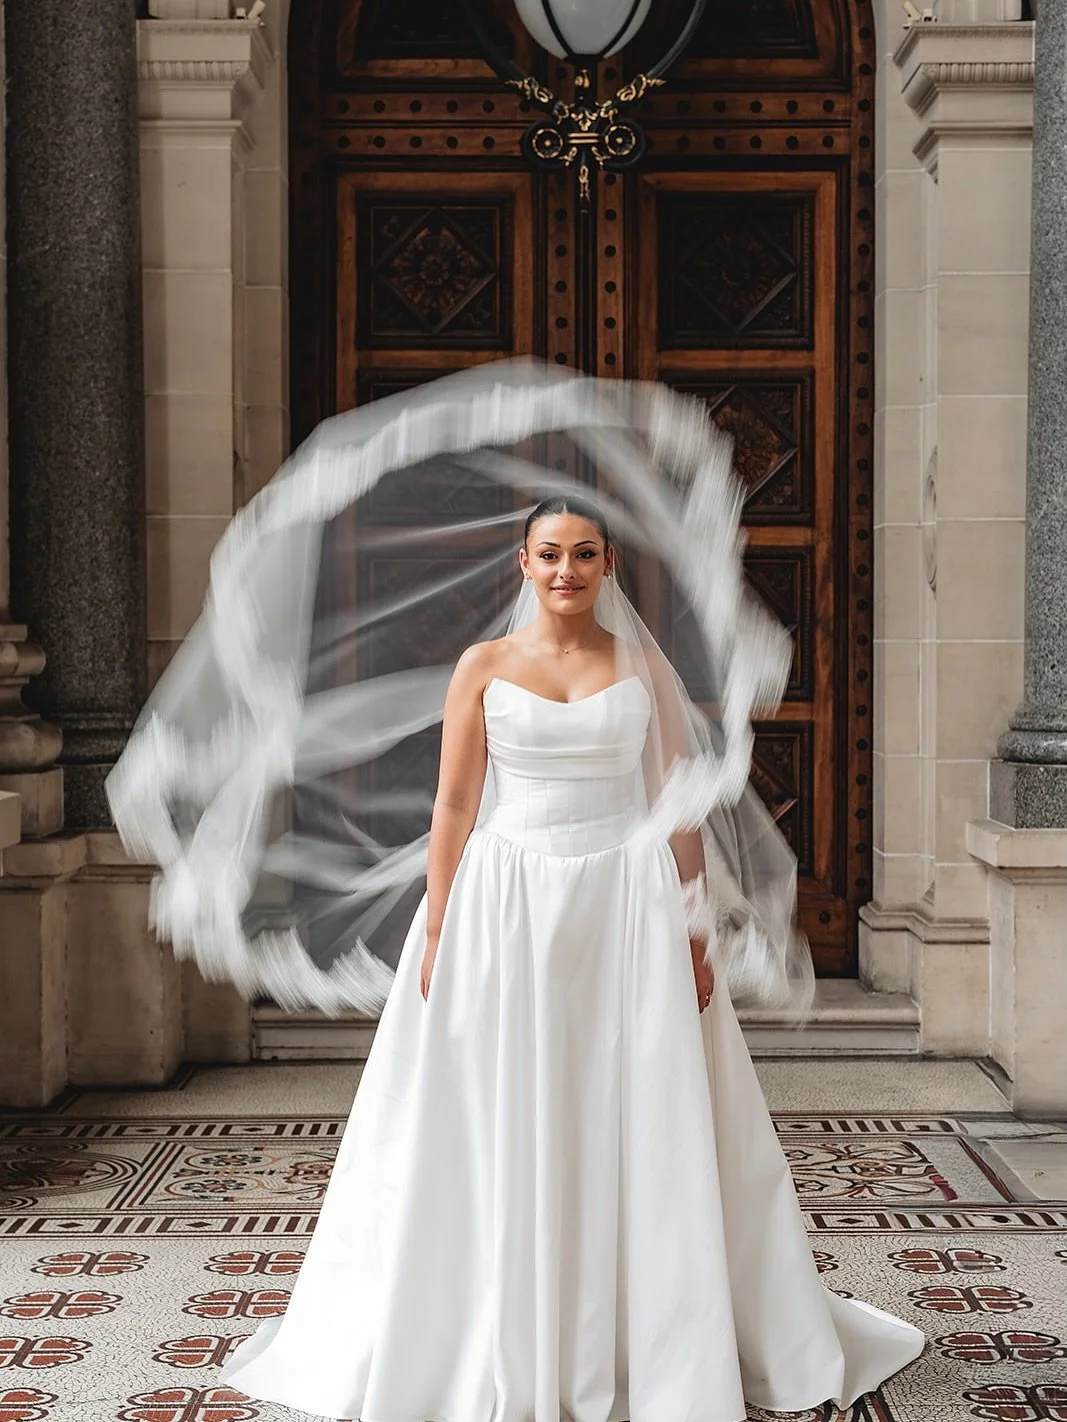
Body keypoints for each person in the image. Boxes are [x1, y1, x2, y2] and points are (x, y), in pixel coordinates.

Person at [107, 365, 924, 1420]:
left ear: (606, 562)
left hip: (625, 902)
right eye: (550, 554)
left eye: (584, 554)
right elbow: (451, 809)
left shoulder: (644, 670)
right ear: (523, 562)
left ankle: (653, 1331)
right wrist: (439, 924)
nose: (567, 569)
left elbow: (676, 803)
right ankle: (489, 1324)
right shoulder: (481, 665)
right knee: (495, 1108)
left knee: (633, 1107)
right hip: (503, 897)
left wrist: (692, 927)